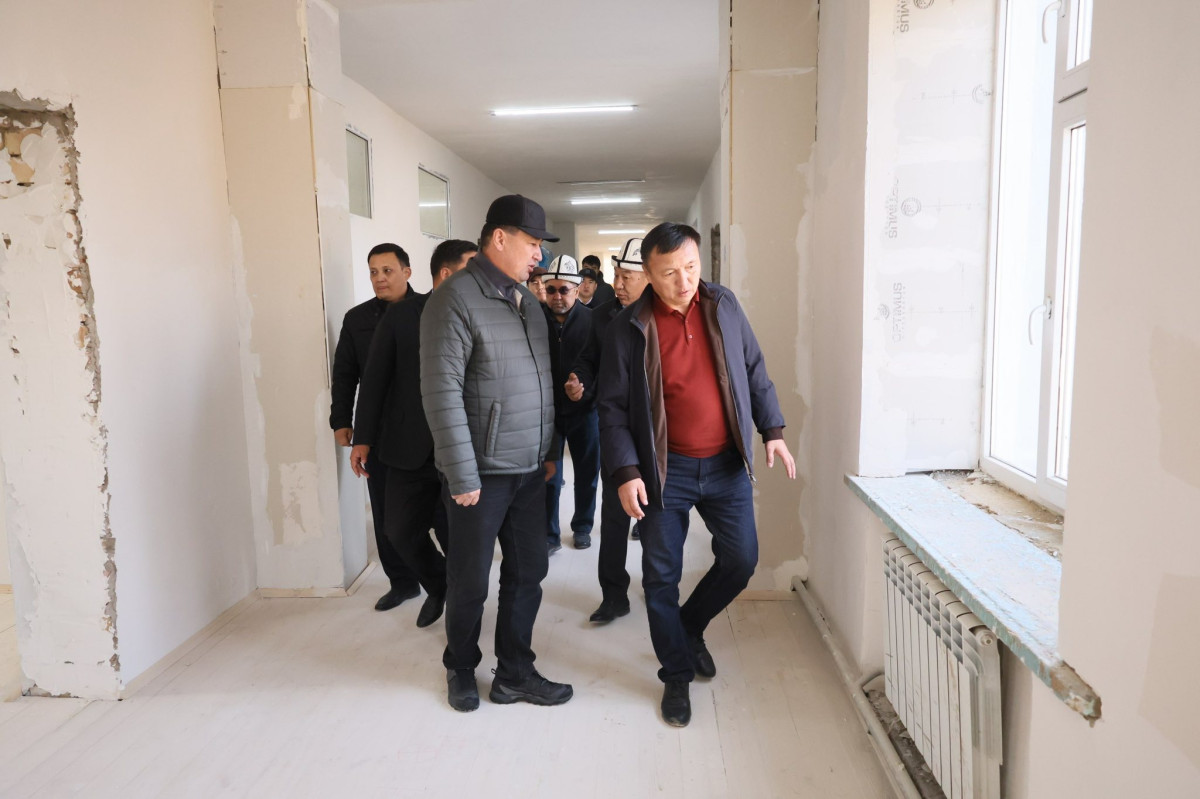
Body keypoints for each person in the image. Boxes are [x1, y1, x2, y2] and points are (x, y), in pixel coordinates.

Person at [597, 222, 796, 728]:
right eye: (669, 273)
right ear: (648, 274)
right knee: (660, 576)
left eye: (690, 267)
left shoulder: (723, 304)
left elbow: (753, 367)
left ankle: (690, 625)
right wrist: (626, 471)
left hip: (727, 464)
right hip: (666, 470)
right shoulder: (628, 327)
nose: (684, 281)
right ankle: (676, 673)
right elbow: (612, 408)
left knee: (740, 560)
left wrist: (772, 429)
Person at [420, 194, 573, 713]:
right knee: (469, 580)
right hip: (480, 474)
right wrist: (461, 474)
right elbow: (441, 392)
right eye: (532, 243)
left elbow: (540, 383)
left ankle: (514, 673)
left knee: (529, 572)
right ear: (500, 238)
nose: (539, 255)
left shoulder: (527, 302)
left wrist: (548, 450)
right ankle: (461, 667)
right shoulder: (454, 299)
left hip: (527, 470)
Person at [349, 239, 478, 629]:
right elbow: (374, 380)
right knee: (399, 531)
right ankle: (437, 585)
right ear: (447, 274)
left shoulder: (482, 314)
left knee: (459, 538)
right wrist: (362, 437)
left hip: (460, 449)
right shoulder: (404, 315)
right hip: (407, 445)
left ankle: (462, 618)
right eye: (473, 269)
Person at [330, 242, 422, 612]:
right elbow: (344, 375)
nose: (379, 278)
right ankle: (402, 582)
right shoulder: (358, 319)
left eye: (387, 270)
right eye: (373, 272)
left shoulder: (429, 310)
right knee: (386, 514)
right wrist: (342, 421)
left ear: (407, 272)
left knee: (435, 512)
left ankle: (446, 578)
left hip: (426, 430)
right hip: (380, 432)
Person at [566, 237, 648, 623]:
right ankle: (614, 595)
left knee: (660, 519)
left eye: (627, 276)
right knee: (614, 517)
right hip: (616, 431)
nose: (618, 283)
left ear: (650, 277)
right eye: (617, 274)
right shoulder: (601, 316)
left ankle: (658, 586)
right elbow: (588, 360)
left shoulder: (667, 315)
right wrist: (580, 381)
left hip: (659, 436)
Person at [541, 254, 599, 554]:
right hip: (548, 413)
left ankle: (582, 526)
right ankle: (549, 535)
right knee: (550, 476)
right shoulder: (534, 321)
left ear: (576, 290)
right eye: (551, 290)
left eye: (564, 290)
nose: (557, 296)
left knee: (587, 473)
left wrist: (584, 390)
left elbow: (603, 368)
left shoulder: (594, 321)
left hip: (585, 412)